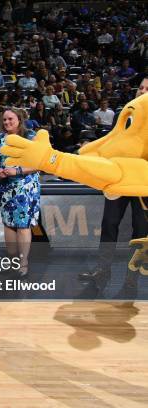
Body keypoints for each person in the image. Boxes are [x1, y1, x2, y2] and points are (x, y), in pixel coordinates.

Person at [78, 76, 148, 289]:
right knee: (109, 224)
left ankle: (131, 278)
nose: (142, 91)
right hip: (119, 179)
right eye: (141, 88)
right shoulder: (126, 114)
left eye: (147, 88)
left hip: (142, 183)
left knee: (140, 230)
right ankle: (102, 271)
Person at [0, 108, 40, 276]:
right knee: (8, 223)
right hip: (5, 186)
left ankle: (23, 262)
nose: (7, 123)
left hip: (25, 187)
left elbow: (40, 164)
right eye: (4, 120)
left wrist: (17, 171)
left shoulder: (31, 136)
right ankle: (12, 259)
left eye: (10, 119)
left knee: (22, 223)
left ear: (19, 119)